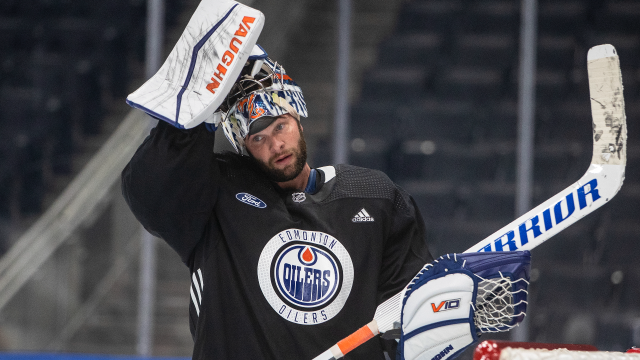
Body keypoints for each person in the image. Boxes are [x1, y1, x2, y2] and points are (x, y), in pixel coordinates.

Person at [121, 54, 432, 359]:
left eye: (280, 126)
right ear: (242, 145)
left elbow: (410, 308)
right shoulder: (216, 193)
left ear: (297, 115)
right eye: (258, 138)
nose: (276, 145)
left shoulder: (374, 195)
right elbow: (149, 189)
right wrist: (196, 111)